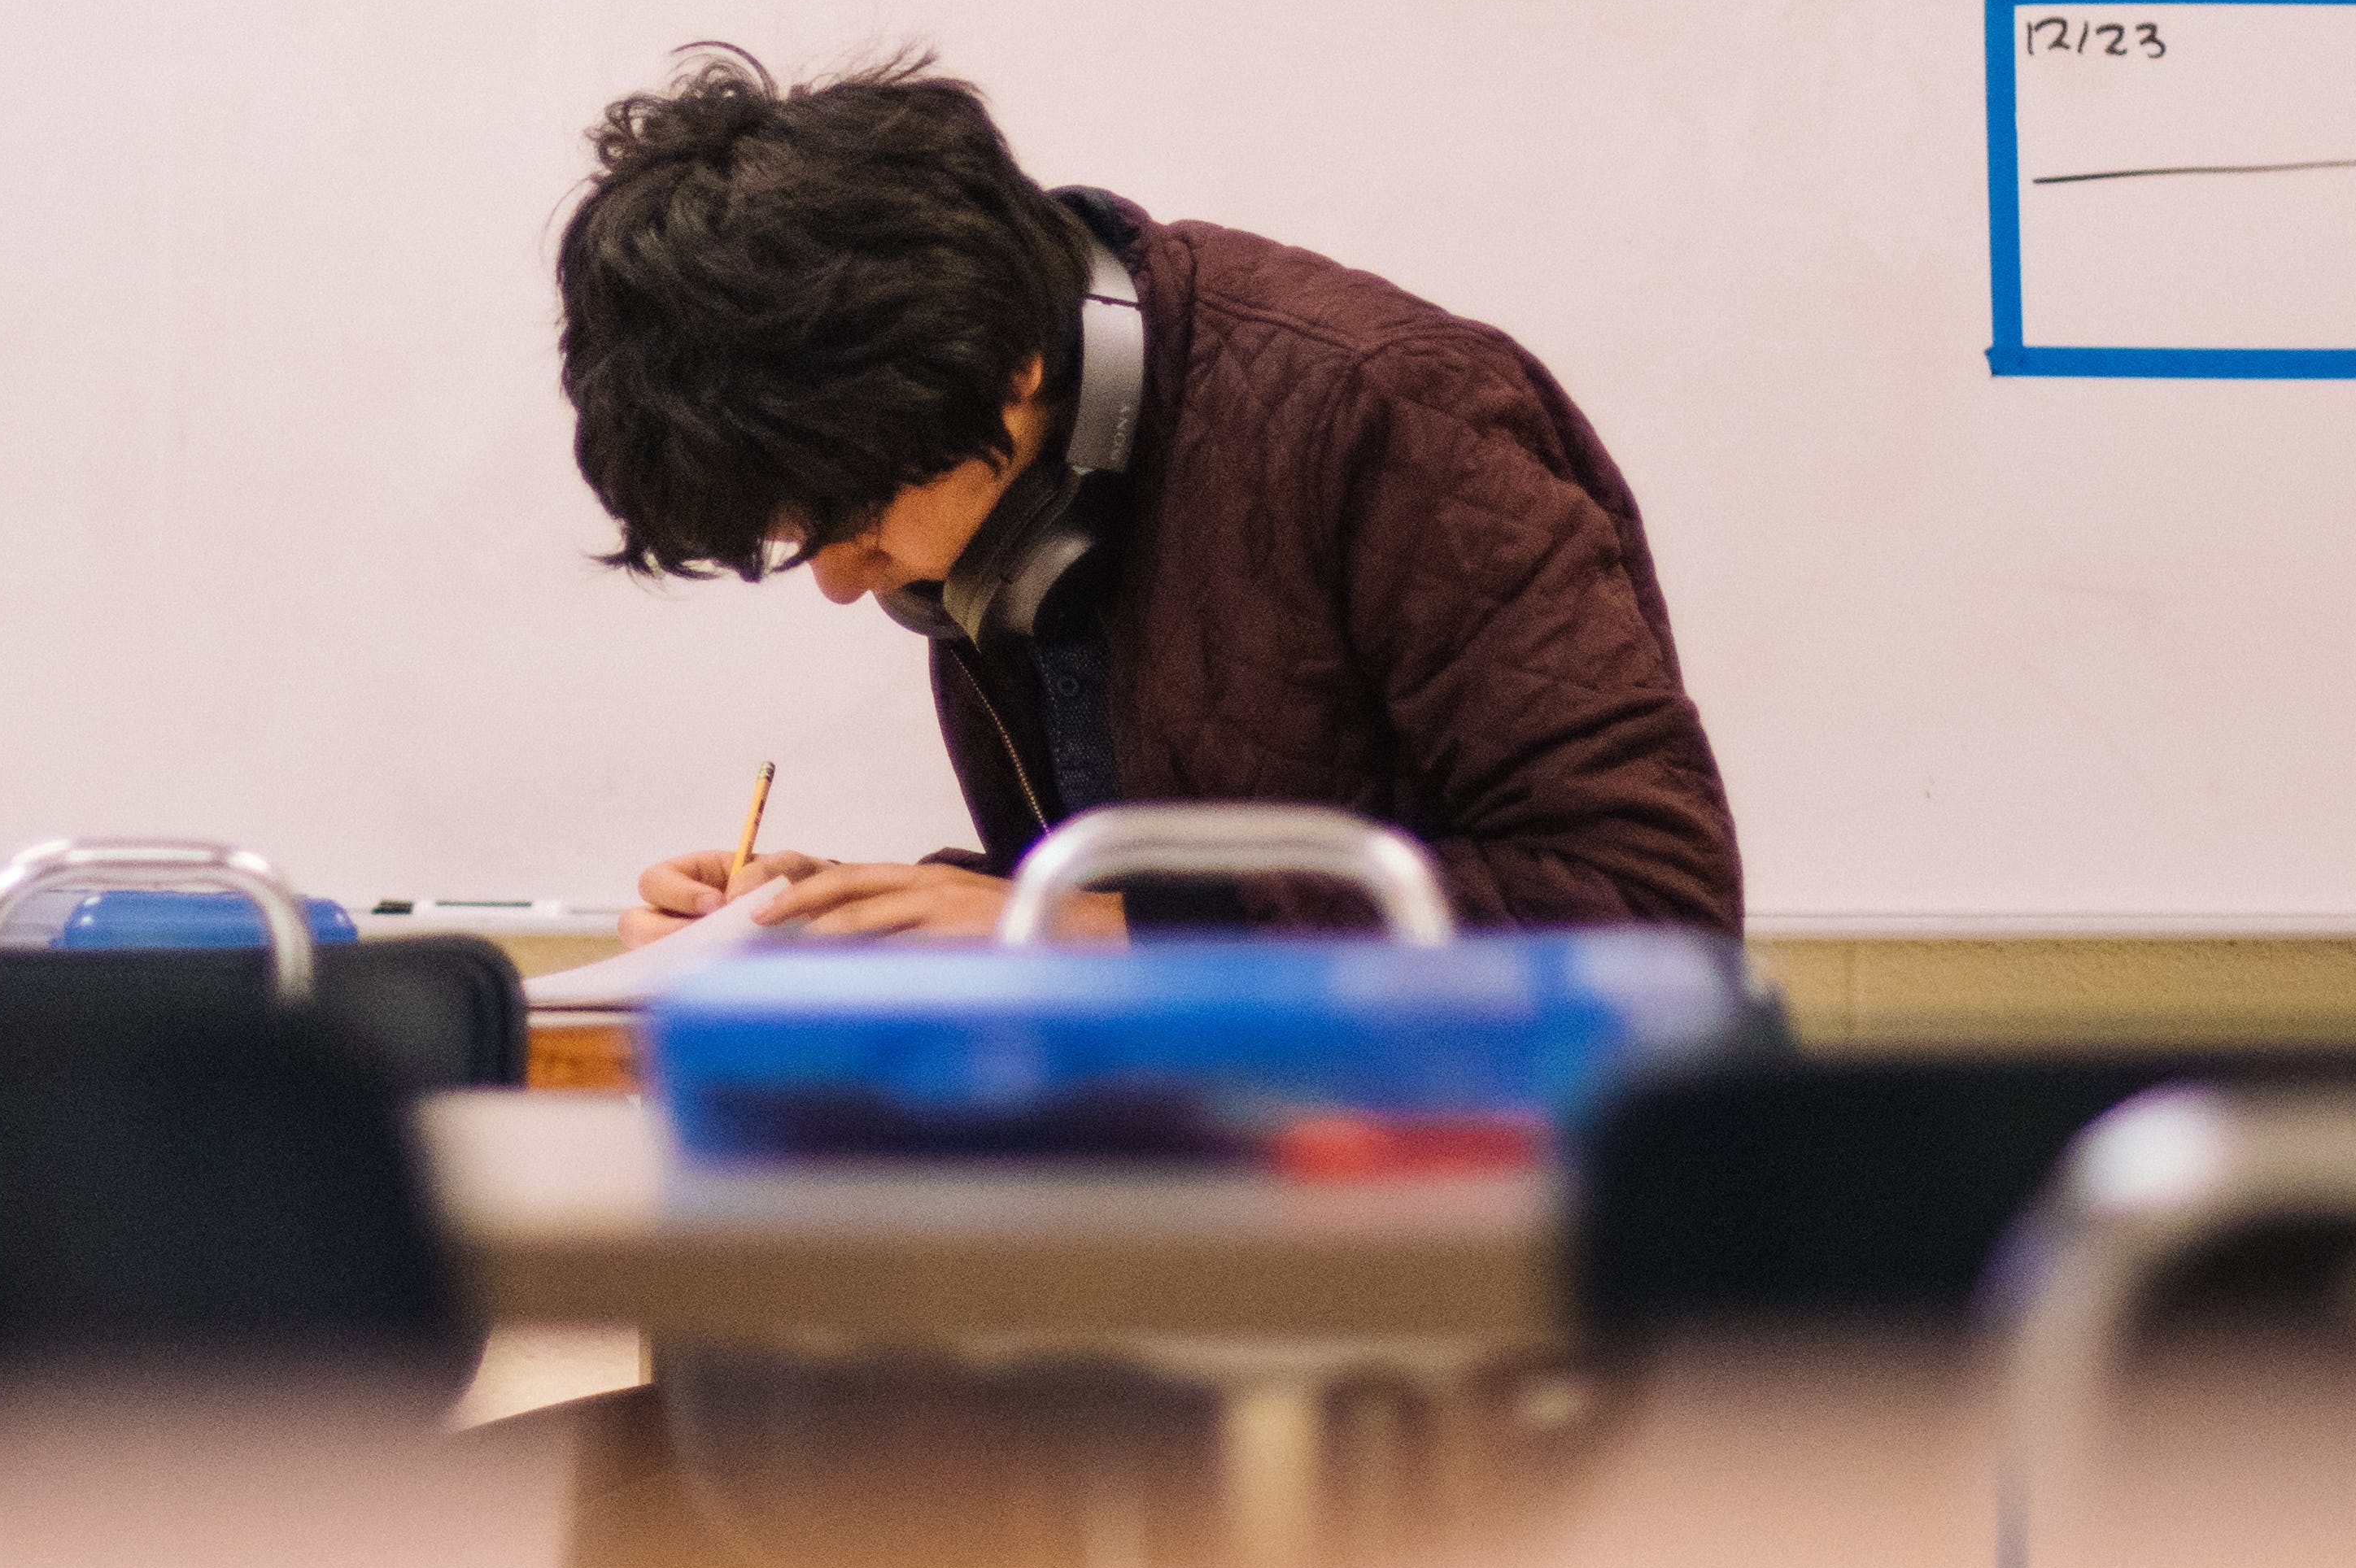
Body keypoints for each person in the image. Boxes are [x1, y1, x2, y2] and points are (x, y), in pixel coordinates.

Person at [554, 47, 1739, 944]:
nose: (839, 584)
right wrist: (848, 926)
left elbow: (1648, 902)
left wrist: (1088, 932)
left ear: (1006, 372)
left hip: (1462, 1211)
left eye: (851, 524)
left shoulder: (1387, 408)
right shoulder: (1011, 493)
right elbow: (1147, 883)